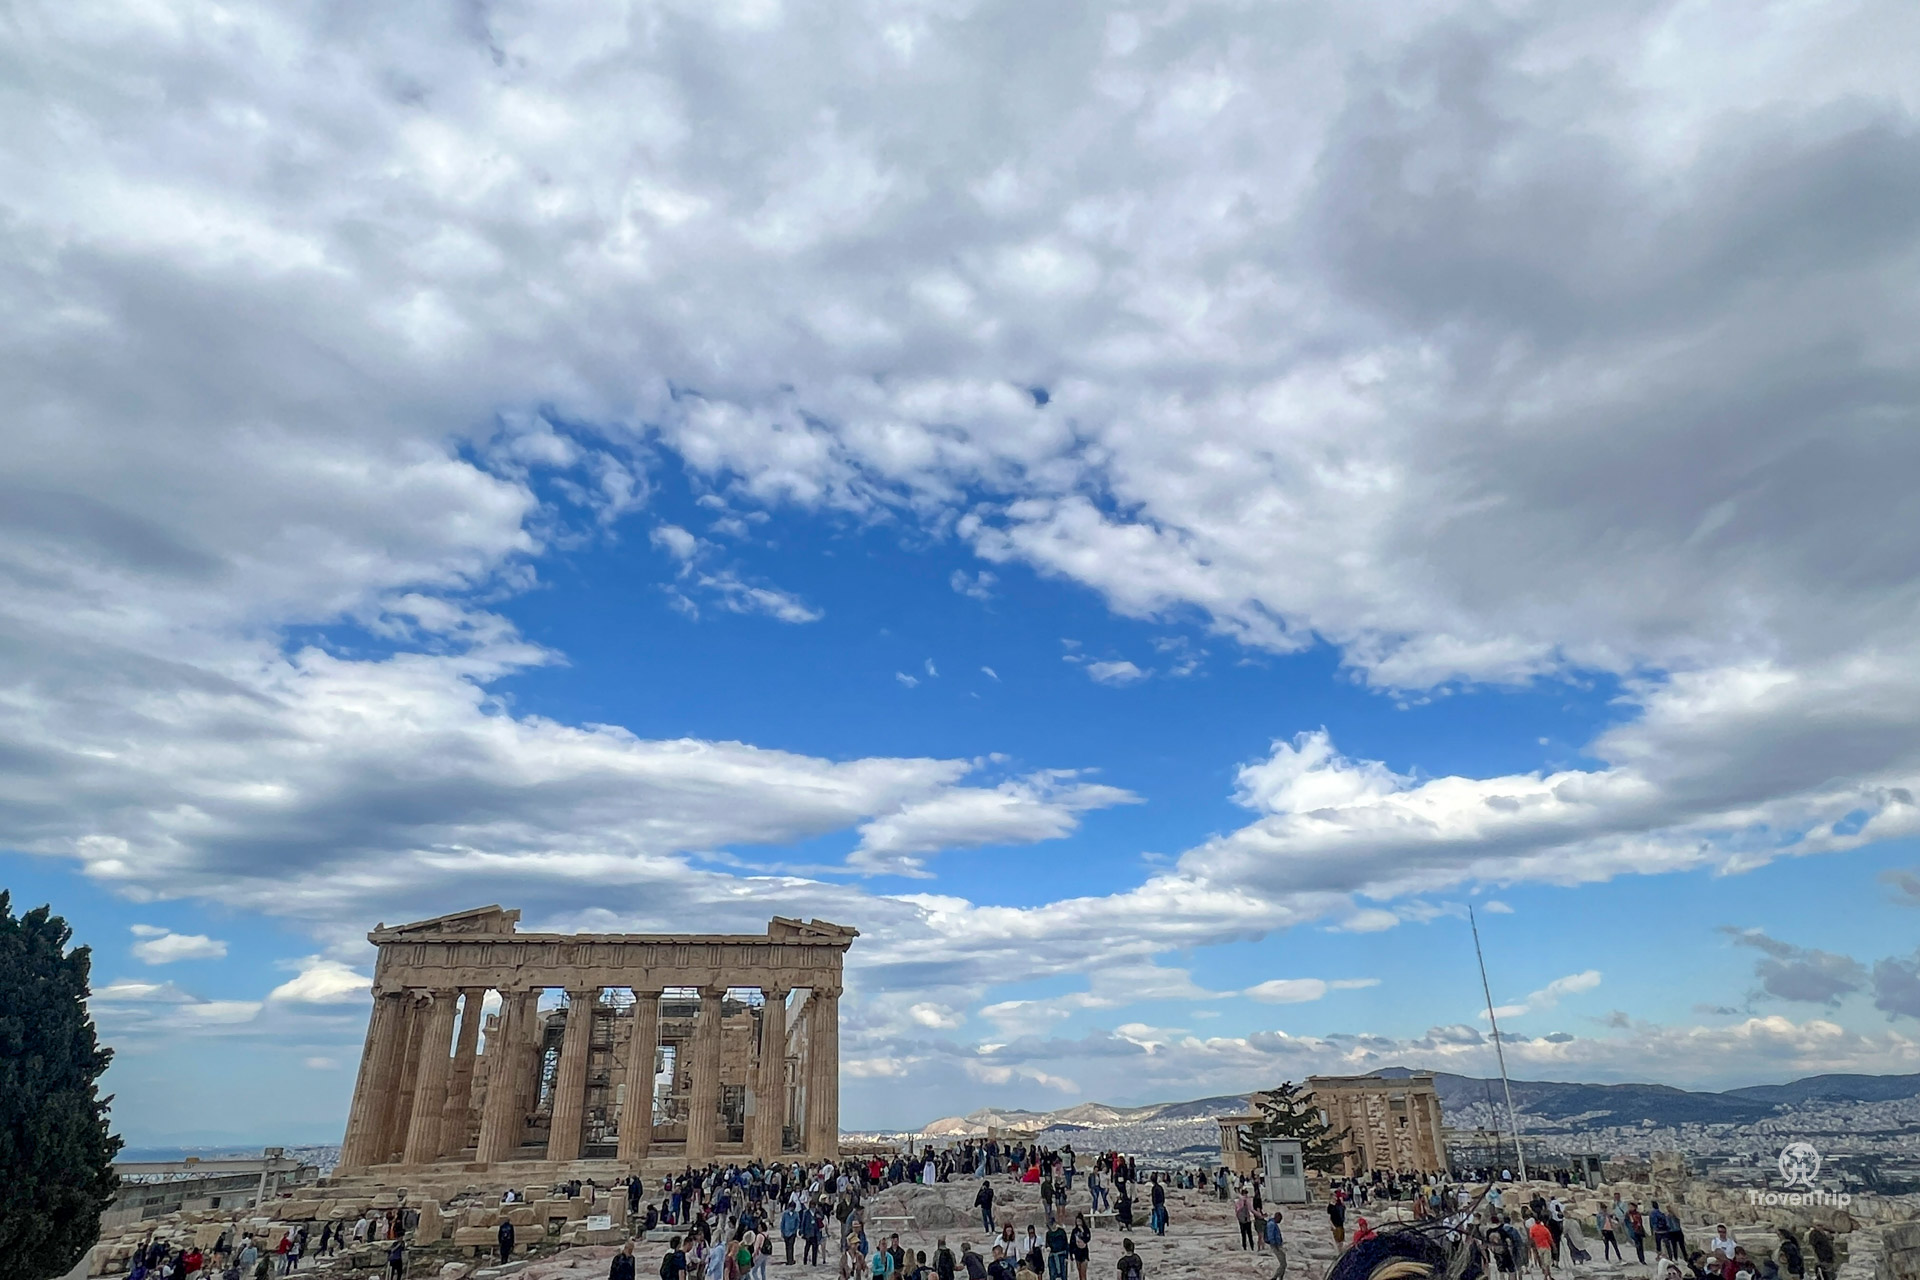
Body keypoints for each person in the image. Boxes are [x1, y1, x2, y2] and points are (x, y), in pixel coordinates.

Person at [1263, 1211, 1286, 1280]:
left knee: (1283, 1262)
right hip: (1275, 1246)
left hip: (1277, 1245)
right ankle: (1275, 1277)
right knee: (1283, 1263)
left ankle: (1280, 1277)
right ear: (1277, 1217)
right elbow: (1271, 1236)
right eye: (1280, 1219)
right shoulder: (1271, 1224)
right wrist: (1275, 1244)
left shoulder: (1273, 1224)